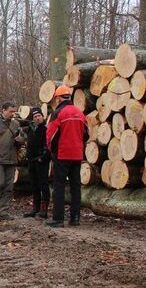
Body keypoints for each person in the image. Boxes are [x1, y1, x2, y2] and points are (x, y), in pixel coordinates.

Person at [45, 85, 87, 228]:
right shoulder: (80, 113)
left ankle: (58, 219)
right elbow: (86, 134)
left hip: (62, 154)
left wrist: (52, 151)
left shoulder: (58, 113)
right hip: (77, 154)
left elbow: (51, 135)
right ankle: (75, 218)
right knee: (76, 187)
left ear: (58, 98)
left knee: (59, 186)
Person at [23, 107, 51, 218]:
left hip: (42, 160)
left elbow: (48, 145)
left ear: (42, 116)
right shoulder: (30, 128)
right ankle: (36, 207)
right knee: (34, 185)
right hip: (31, 160)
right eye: (35, 116)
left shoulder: (46, 128)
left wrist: (43, 157)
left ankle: (44, 209)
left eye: (39, 116)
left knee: (43, 184)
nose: (37, 118)